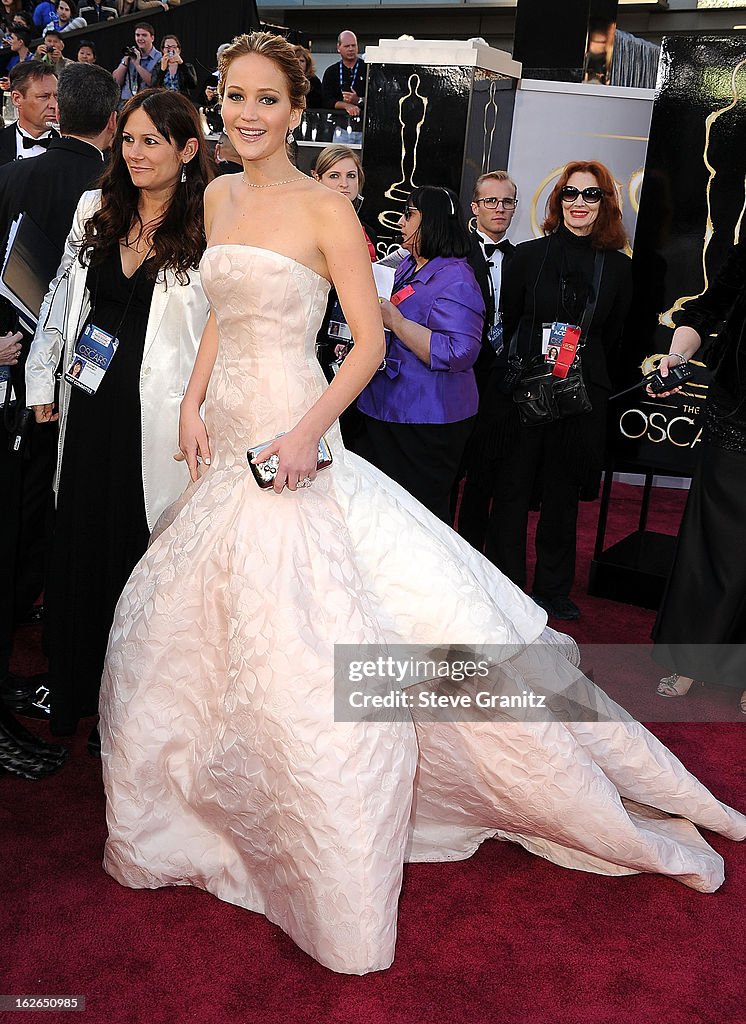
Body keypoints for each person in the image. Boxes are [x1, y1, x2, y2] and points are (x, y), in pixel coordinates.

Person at [97, 33, 746, 978]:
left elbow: (364, 346)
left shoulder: (328, 208)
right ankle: (213, 811)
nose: (246, 114)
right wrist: (195, 402)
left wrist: (307, 434)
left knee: (322, 643)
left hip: (296, 439)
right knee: (191, 637)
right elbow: (218, 317)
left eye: (267, 100)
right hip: (223, 440)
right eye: (232, 96)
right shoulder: (217, 196)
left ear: (298, 108)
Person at [25, 89, 212, 745]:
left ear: (187, 150)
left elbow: (220, 330)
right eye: (128, 139)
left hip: (158, 414)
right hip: (90, 400)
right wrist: (41, 374)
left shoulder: (209, 224)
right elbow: (60, 297)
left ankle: (135, 704)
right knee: (78, 536)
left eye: (151, 141)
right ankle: (75, 685)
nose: (134, 153)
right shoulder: (94, 206)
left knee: (141, 549)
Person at [0, 63, 119, 719]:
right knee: (64, 498)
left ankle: (23, 608)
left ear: (58, 111)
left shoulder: (16, 175)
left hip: (15, 369)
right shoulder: (117, 188)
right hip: (89, 381)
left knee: (21, 498)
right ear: (111, 122)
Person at [477, 161, 633, 621]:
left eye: (590, 195)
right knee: (512, 488)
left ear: (605, 204)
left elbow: (619, 337)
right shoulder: (527, 257)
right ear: (557, 201)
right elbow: (511, 318)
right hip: (524, 390)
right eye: (570, 194)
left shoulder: (619, 269)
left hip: (583, 396)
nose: (579, 203)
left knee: (563, 495)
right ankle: (506, 583)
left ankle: (552, 589)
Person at [649, 238, 746, 715]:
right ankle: (691, 660)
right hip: (737, 413)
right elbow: (709, 308)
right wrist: (679, 355)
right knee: (714, 539)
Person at [356, 185, 484, 521]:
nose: (400, 222)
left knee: (419, 520)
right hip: (387, 408)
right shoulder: (408, 266)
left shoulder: (457, 279)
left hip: (428, 420)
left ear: (432, 221)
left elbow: (460, 351)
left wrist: (396, 323)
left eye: (409, 214)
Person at [457, 170, 519, 547]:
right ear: (475, 207)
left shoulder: (524, 258)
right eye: (491, 201)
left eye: (507, 201)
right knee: (452, 468)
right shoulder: (455, 253)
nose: (499, 208)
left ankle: (479, 550)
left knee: (487, 472)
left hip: (502, 383)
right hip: (460, 374)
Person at [311, 143, 375, 445]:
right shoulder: (305, 226)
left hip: (357, 346)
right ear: (317, 178)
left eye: (351, 176)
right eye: (334, 175)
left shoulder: (367, 232)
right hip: (314, 346)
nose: (344, 184)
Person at [0, 60, 58, 165]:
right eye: (44, 97)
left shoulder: (70, 147)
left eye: (57, 96)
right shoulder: (3, 141)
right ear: (17, 99)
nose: (54, 105)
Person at [112, 22, 160, 105]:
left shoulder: (159, 57)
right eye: (137, 35)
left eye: (144, 35)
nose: (140, 38)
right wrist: (125, 60)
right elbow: (116, 81)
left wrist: (137, 65)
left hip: (146, 102)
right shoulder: (132, 53)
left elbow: (153, 83)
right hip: (126, 101)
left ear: (152, 38)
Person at [321, 29, 366, 117]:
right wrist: (345, 105)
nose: (351, 49)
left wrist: (358, 100)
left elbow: (376, 98)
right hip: (337, 123)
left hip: (363, 122)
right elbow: (326, 100)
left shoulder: (367, 69)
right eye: (347, 46)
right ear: (338, 47)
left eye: (353, 45)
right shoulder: (331, 71)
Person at [152, 33, 197, 98]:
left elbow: (193, 85)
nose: (171, 50)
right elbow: (153, 88)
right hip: (163, 103)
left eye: (174, 47)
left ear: (179, 50)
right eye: (167, 47)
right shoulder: (157, 67)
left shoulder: (187, 66)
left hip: (182, 102)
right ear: (163, 50)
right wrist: (162, 70)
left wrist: (182, 64)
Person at [293, 43, 322, 109]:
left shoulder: (314, 81)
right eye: (295, 60)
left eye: (302, 61)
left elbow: (319, 102)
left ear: (307, 64)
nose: (298, 64)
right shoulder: (284, 78)